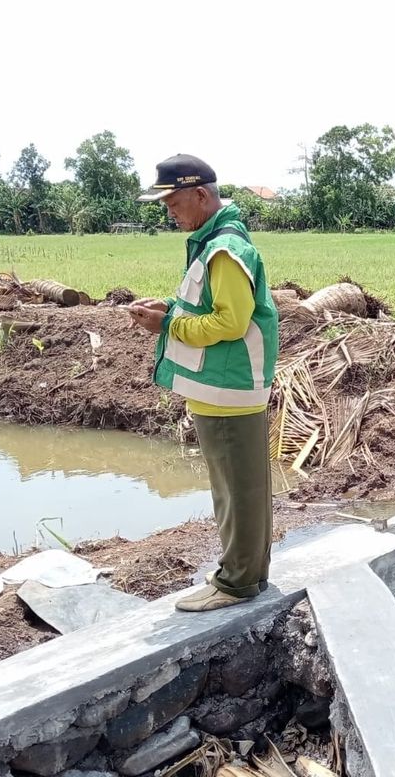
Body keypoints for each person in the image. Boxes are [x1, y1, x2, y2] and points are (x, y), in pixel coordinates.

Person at [128, 154, 280, 612]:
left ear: (201, 195)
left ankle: (237, 583)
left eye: (173, 203)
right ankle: (242, 574)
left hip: (230, 386)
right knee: (235, 488)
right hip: (219, 386)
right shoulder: (213, 242)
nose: (169, 212)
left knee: (239, 492)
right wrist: (170, 313)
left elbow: (231, 323)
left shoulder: (224, 249)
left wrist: (168, 326)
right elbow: (208, 308)